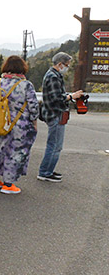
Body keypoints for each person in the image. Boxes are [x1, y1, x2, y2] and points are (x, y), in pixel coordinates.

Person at [0, 55, 40, 194]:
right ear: (22, 68)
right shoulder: (26, 85)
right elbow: (33, 107)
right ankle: (8, 185)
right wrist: (34, 122)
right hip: (19, 127)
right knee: (14, 153)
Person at [37, 52, 83, 182]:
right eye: (66, 65)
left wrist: (70, 96)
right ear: (60, 64)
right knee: (54, 146)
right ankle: (44, 172)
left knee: (55, 145)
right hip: (55, 114)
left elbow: (57, 94)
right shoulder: (53, 77)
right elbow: (56, 98)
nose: (67, 67)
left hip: (55, 114)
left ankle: (48, 170)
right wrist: (72, 96)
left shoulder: (54, 75)